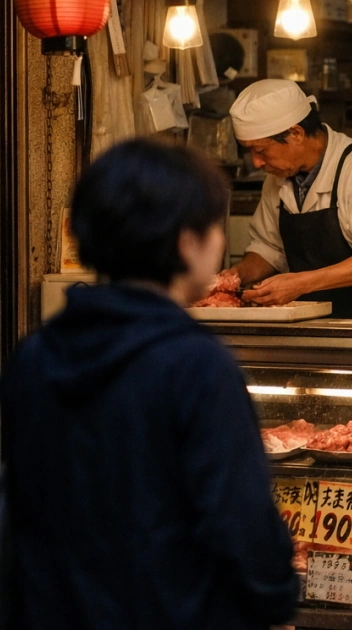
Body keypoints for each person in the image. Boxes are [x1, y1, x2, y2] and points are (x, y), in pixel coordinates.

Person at [0, 140, 298, 628]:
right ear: (187, 242)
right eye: (214, 230)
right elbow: (242, 527)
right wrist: (274, 601)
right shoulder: (197, 366)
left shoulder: (34, 356)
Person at [227, 79, 352, 318]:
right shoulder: (278, 178)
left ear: (296, 133)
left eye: (260, 151)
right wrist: (233, 277)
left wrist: (301, 283)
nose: (257, 162)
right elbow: (269, 249)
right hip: (317, 325)